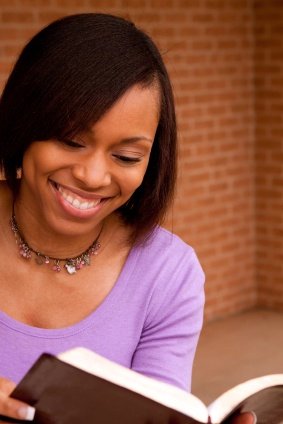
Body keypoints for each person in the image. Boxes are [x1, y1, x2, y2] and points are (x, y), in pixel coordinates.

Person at [0, 13, 255, 424]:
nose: (93, 176)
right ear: (24, 122)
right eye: (70, 140)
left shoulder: (168, 275)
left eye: (126, 157)